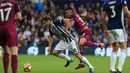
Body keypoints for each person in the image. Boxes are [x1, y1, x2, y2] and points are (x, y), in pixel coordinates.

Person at [101, 0, 130, 73]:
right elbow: (126, 12)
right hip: (119, 26)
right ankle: (119, 70)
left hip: (110, 27)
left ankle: (112, 69)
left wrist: (105, 29)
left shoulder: (106, 3)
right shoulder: (121, 0)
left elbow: (102, 18)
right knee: (124, 48)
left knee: (114, 48)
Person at [0, 0, 22, 73]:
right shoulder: (13, 3)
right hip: (10, 27)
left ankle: (5, 71)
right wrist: (13, 19)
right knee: (14, 52)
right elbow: (19, 17)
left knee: (6, 51)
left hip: (0, 28)